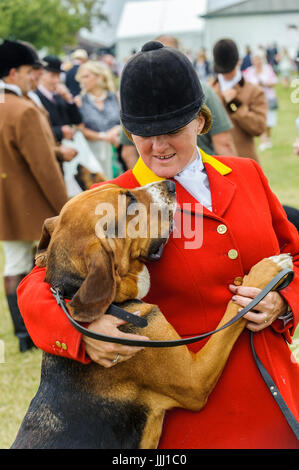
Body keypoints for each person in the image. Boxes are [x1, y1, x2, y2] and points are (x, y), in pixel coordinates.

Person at [18, 41, 299, 449]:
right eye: (144, 134)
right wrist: (81, 331)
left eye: (172, 131)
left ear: (200, 122)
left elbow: (294, 254)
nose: (158, 146)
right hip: (192, 425)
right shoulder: (111, 203)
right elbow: (38, 284)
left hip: (276, 402)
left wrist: (284, 300)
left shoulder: (247, 174)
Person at [0, 40, 68, 352]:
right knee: (44, 265)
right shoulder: (24, 110)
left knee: (13, 265)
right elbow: (43, 167)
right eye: (30, 71)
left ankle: (22, 337)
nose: (35, 77)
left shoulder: (6, 103)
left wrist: (55, 149)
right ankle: (34, 330)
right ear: (13, 73)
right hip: (32, 200)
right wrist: (65, 206)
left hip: (5, 200)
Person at [210, 38, 267, 164]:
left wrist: (235, 104)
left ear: (239, 62)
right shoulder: (208, 91)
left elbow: (259, 127)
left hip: (244, 161)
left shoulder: (254, 90)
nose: (226, 74)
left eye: (228, 69)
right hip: (215, 164)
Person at [74, 60, 122, 179]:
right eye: (81, 77)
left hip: (119, 148)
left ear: (99, 77)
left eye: (86, 76)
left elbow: (125, 121)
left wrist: (115, 131)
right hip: (94, 152)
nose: (82, 80)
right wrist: (103, 136)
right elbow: (80, 130)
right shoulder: (79, 101)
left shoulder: (116, 97)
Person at [33, 55, 82, 143]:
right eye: (52, 76)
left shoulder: (60, 96)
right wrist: (59, 132)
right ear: (41, 74)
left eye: (58, 76)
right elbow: (35, 131)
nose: (56, 80)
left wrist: (69, 100)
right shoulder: (35, 97)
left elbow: (77, 120)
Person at [243, 50, 279, 151]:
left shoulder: (268, 69)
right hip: (255, 101)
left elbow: (275, 81)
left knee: (270, 121)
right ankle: (264, 142)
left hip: (269, 98)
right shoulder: (249, 71)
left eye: (258, 59)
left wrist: (264, 84)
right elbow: (245, 85)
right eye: (255, 59)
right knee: (260, 120)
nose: (257, 61)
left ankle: (268, 139)